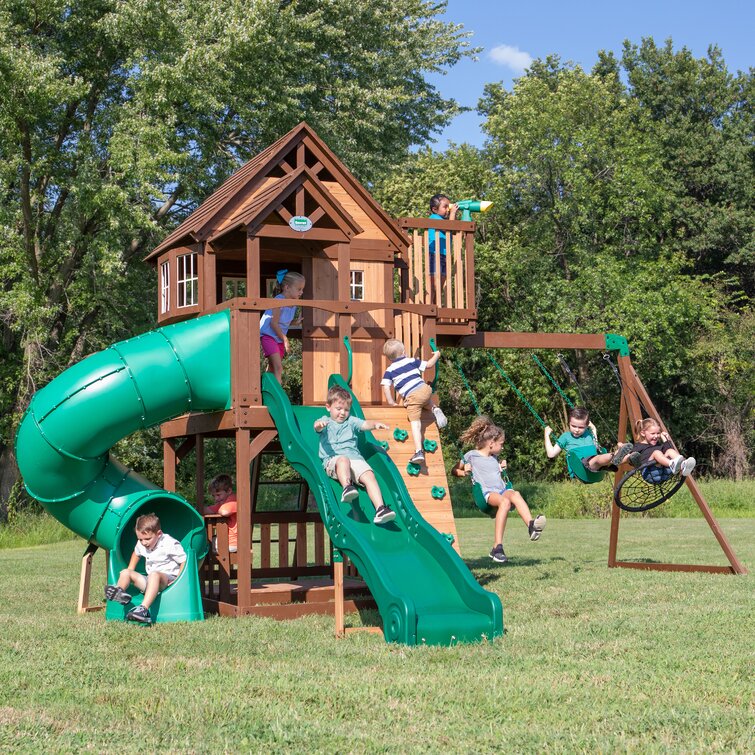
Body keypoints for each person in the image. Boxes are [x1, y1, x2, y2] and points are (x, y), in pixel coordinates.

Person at [454, 416, 545, 564]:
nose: (502, 447)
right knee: (504, 502)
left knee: (515, 494)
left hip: (502, 490)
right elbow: (454, 471)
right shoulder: (471, 456)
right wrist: (464, 472)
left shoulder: (494, 457)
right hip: (486, 494)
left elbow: (497, 476)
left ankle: (531, 525)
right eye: (501, 444)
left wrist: (501, 468)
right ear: (491, 443)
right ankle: (498, 548)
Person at [314, 384, 396, 525]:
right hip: (333, 460)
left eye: (346, 410)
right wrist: (319, 425)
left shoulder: (351, 421)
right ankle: (347, 487)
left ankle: (380, 509)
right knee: (343, 460)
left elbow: (364, 424)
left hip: (355, 459)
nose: (342, 413)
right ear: (328, 407)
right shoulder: (325, 421)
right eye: (338, 409)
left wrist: (375, 424)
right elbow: (316, 426)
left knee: (369, 475)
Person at [104, 513, 186, 624]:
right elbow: (136, 553)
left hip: (167, 581)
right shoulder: (141, 543)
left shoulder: (169, 543)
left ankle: (144, 609)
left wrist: (177, 581)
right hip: (151, 581)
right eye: (140, 539)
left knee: (154, 575)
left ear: (159, 534)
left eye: (147, 539)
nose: (144, 542)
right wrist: (130, 569)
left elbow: (184, 561)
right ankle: (119, 592)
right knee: (125, 572)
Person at [381, 338, 448, 465]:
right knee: (421, 402)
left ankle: (418, 451)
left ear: (389, 358)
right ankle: (435, 408)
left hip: (412, 396)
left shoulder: (389, 370)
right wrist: (437, 355)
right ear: (404, 351)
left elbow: (386, 386)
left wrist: (391, 402)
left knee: (415, 423)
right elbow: (429, 365)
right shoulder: (411, 360)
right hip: (425, 390)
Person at [544, 406, 638, 474]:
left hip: (597, 466)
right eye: (573, 426)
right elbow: (551, 454)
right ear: (569, 423)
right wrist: (547, 435)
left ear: (586, 425)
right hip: (582, 468)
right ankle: (616, 454)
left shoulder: (588, 434)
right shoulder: (566, 437)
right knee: (598, 459)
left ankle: (630, 457)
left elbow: (596, 446)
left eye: (581, 427)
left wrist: (594, 430)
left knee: (604, 459)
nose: (576, 430)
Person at [259, 269, 305, 383]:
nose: (301, 292)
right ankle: (278, 394)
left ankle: (266, 388)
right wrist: (285, 339)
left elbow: (284, 321)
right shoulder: (278, 301)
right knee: (278, 368)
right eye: (299, 289)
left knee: (272, 368)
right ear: (287, 288)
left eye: (302, 289)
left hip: (278, 338)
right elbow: (273, 323)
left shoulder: (293, 303)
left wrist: (296, 322)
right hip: (268, 336)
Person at [428, 194, 458, 299]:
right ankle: (430, 305)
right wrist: (453, 213)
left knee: (440, 286)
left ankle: (436, 306)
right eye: (445, 207)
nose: (448, 210)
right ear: (435, 209)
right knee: (434, 285)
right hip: (435, 254)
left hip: (445, 255)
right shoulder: (434, 218)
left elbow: (453, 229)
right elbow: (448, 228)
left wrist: (454, 215)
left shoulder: (444, 221)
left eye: (448, 207)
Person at [204, 474, 238, 554]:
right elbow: (206, 510)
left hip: (233, 542)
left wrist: (218, 508)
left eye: (218, 495)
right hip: (227, 540)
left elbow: (224, 512)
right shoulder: (222, 502)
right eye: (214, 496)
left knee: (202, 545)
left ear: (229, 491)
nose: (216, 498)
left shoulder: (233, 499)